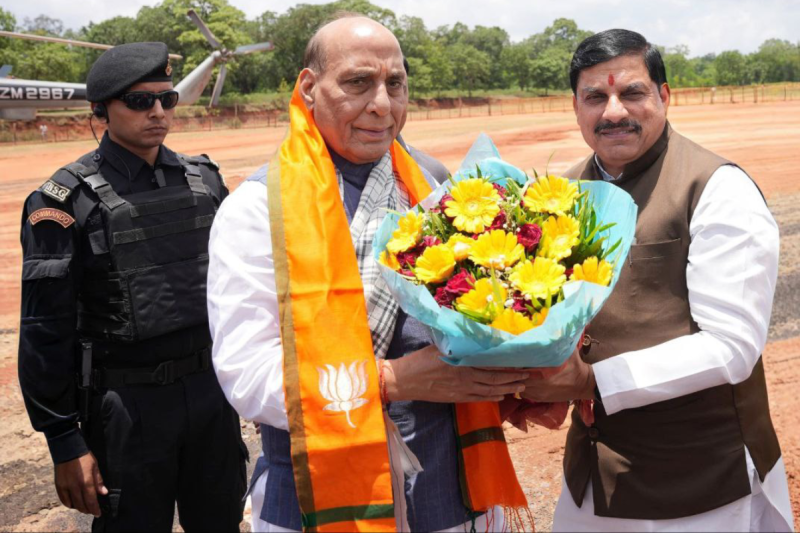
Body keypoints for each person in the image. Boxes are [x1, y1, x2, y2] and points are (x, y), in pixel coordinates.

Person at [208, 14, 532, 533]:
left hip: (450, 492)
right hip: (323, 501)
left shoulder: (434, 187)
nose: (382, 104)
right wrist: (388, 381)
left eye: (395, 83)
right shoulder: (258, 209)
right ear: (309, 88)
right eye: (358, 82)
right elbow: (247, 375)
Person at [519, 29, 794, 532]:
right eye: (595, 97)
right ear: (575, 107)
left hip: (700, 479)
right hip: (593, 474)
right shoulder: (560, 195)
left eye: (633, 93)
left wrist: (590, 381)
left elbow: (731, 346)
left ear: (665, 96)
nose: (614, 112)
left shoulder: (715, 188)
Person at [18, 42, 246, 532]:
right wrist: (63, 440)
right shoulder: (62, 201)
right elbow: (44, 330)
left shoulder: (205, 182)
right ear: (101, 110)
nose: (158, 112)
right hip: (127, 408)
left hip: (212, 397)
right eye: (141, 101)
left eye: (167, 99)